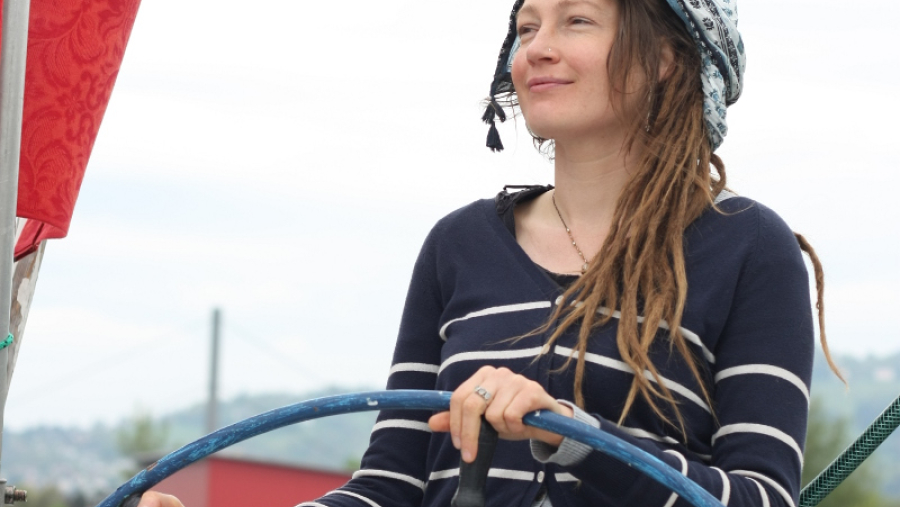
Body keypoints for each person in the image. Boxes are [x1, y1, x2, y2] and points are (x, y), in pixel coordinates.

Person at [139, 0, 843, 505]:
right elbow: (390, 486)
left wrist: (574, 434)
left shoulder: (749, 247)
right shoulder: (458, 244)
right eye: (526, 26)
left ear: (666, 57)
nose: (535, 47)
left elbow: (761, 496)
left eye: (576, 20)